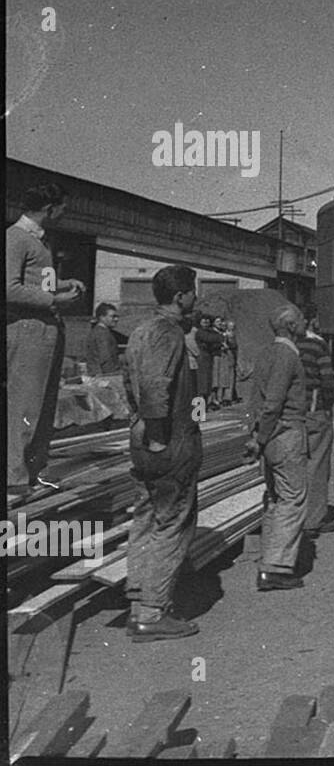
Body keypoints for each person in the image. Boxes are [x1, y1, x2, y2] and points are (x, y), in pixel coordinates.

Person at [120, 264, 202, 642]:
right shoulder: (167, 333)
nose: (195, 297)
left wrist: (141, 426)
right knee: (172, 523)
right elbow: (156, 386)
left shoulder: (139, 331)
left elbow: (130, 384)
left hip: (144, 437)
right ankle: (153, 612)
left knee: (146, 516)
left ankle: (139, 599)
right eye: (192, 291)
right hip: (168, 439)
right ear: (181, 295)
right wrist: (156, 435)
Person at [7, 183, 85, 503]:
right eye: (61, 207)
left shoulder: (40, 243)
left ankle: (33, 474)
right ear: (49, 207)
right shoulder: (15, 238)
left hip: (47, 331)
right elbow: (9, 288)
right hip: (28, 331)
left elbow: (41, 282)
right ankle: (13, 481)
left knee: (42, 407)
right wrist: (54, 298)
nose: (64, 212)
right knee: (23, 407)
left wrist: (65, 284)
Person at [244, 304, 310, 590]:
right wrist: (261, 437)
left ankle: (268, 558)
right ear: (292, 325)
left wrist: (257, 436)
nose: (306, 322)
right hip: (285, 434)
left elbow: (258, 402)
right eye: (303, 319)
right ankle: (276, 567)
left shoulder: (267, 352)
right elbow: (273, 403)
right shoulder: (287, 355)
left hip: (270, 437)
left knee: (274, 498)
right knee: (292, 499)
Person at [298, 304, 334, 537]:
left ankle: (293, 518)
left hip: (289, 412)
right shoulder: (317, 344)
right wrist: (329, 405)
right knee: (317, 465)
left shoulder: (282, 345)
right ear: (309, 320)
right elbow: (327, 379)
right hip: (314, 409)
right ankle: (313, 520)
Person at [193, 314, 224, 409]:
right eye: (203, 321)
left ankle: (204, 409)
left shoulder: (208, 332)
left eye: (207, 321)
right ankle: (199, 412)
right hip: (202, 359)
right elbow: (210, 339)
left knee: (207, 385)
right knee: (201, 386)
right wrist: (221, 338)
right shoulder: (200, 332)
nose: (206, 323)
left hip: (207, 358)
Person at [85, 302, 121, 375]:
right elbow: (105, 358)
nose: (116, 319)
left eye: (117, 316)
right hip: (103, 376)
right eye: (113, 316)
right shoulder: (102, 334)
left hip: (96, 373)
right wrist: (112, 375)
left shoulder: (96, 331)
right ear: (102, 317)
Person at [213, 315, 235, 405]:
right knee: (219, 377)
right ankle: (219, 398)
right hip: (219, 355)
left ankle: (226, 397)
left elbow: (233, 345)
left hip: (226, 356)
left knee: (226, 377)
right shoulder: (217, 333)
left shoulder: (227, 334)